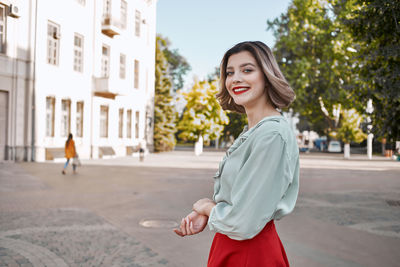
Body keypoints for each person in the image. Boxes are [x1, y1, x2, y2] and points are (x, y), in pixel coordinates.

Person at [173, 41, 299, 266]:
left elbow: (243, 223)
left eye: (247, 70)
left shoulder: (271, 135)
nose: (236, 78)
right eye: (230, 73)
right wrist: (210, 216)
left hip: (250, 252)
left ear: (267, 76)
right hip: (231, 244)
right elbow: (240, 203)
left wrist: (206, 207)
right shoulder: (253, 131)